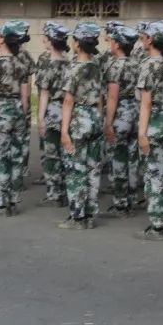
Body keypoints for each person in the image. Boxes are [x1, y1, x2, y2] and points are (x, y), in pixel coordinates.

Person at [58, 23, 105, 229]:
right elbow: (101, 97)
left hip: (79, 118)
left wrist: (64, 131)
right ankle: (90, 214)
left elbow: (68, 101)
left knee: (76, 169)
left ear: (77, 44)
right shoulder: (96, 67)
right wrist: (100, 119)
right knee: (93, 169)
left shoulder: (74, 68)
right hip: (95, 117)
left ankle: (77, 217)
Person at [0, 21, 31, 217]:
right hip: (18, 111)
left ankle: (2, 204)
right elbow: (25, 95)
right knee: (16, 158)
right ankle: (13, 200)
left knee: (0, 158)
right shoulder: (21, 64)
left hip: (1, 113)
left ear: (3, 40)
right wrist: (23, 116)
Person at [136, 21, 163, 240]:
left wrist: (142, 133)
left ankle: (158, 225)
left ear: (151, 40)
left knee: (154, 173)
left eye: (144, 36)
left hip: (154, 120)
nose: (142, 40)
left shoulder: (148, 65)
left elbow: (146, 102)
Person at [103, 24, 140, 217]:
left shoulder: (116, 66)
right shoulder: (136, 64)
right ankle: (132, 198)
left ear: (117, 45)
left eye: (112, 41)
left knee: (118, 158)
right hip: (136, 111)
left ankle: (120, 203)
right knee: (133, 158)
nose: (110, 43)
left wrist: (108, 122)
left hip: (121, 113)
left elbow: (112, 96)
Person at [35, 22, 72, 208]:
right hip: (68, 112)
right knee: (66, 153)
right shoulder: (70, 64)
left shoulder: (47, 66)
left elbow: (44, 94)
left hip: (52, 111)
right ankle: (66, 191)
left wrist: (40, 118)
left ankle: (54, 193)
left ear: (51, 41)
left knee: (51, 154)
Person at [12, 26, 36, 190]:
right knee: (24, 137)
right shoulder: (26, 55)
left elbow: (26, 82)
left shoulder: (13, 55)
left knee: (15, 138)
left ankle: (15, 172)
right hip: (24, 100)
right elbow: (29, 80)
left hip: (15, 100)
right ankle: (23, 167)